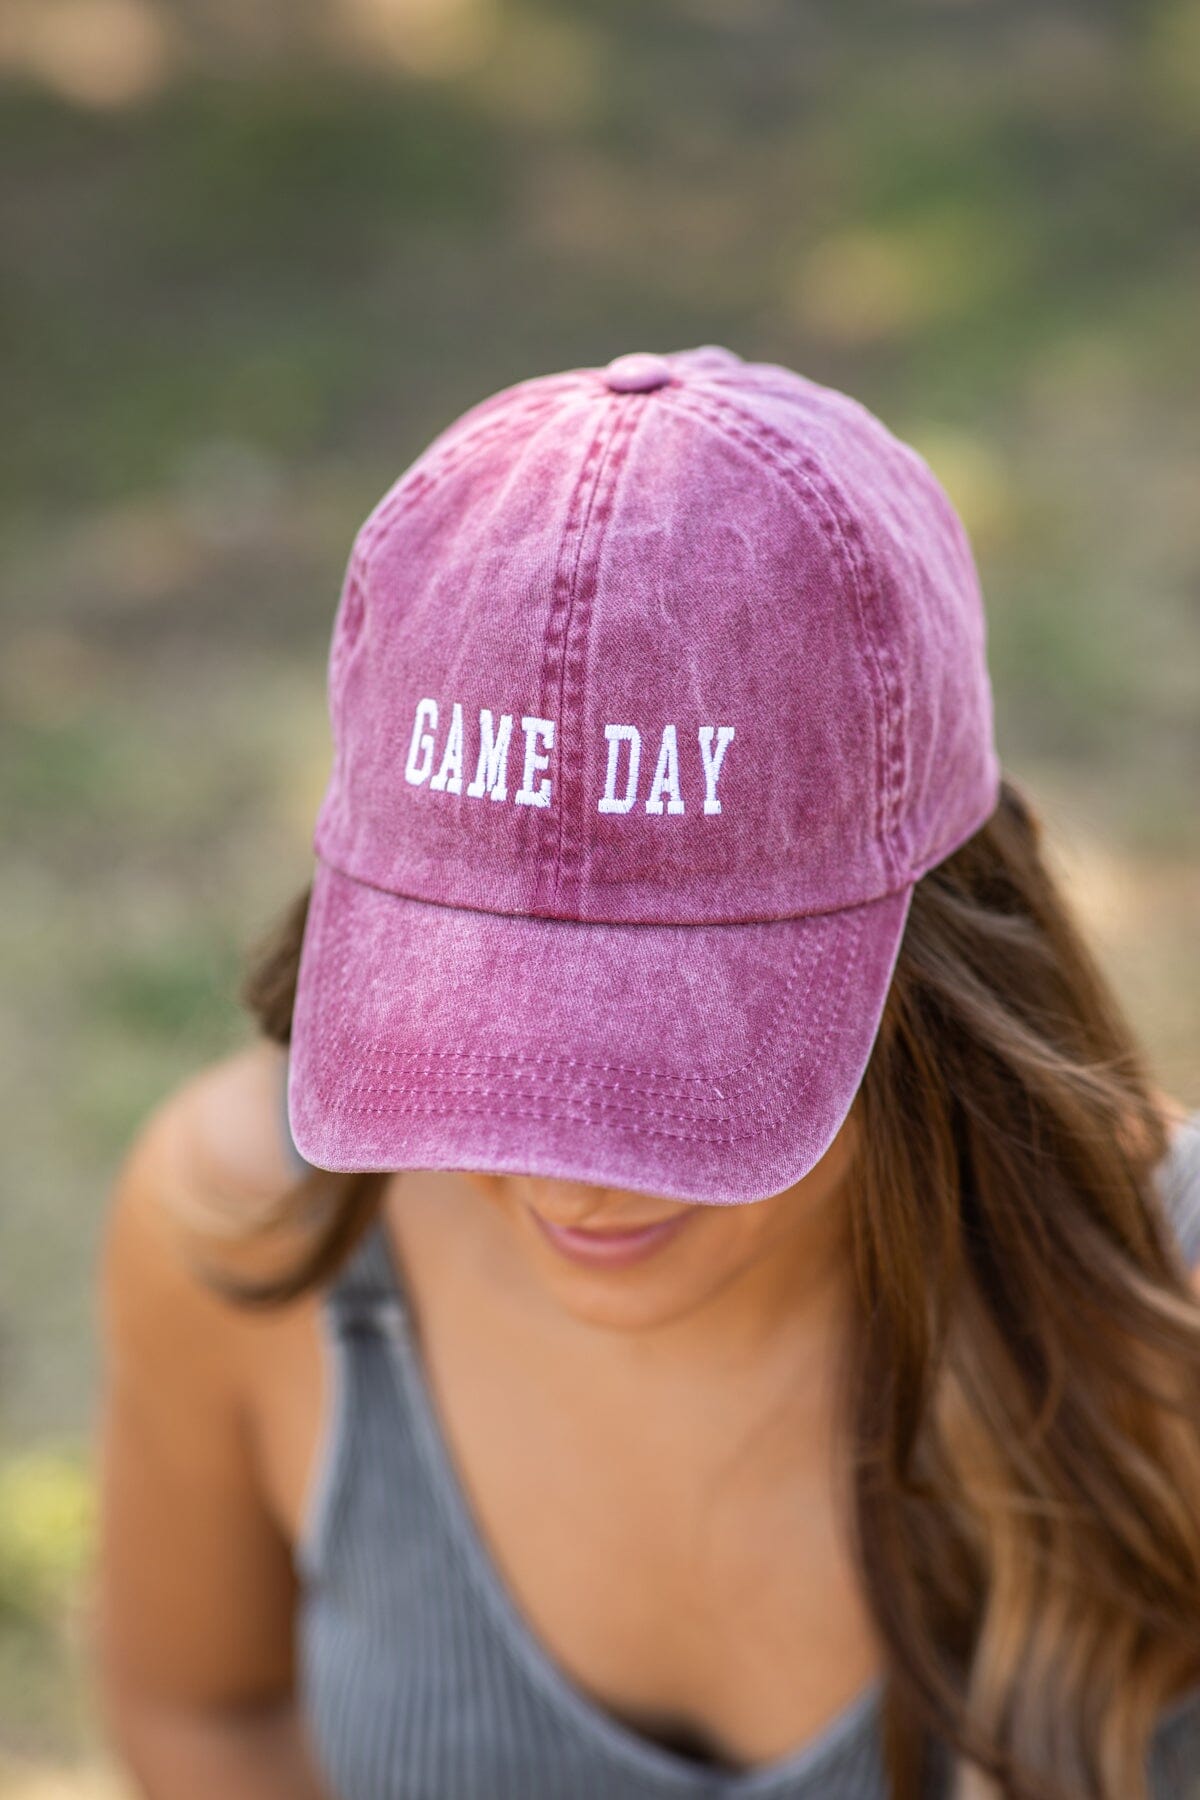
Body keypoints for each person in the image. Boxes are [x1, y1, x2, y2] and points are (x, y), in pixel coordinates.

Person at [90, 347, 1200, 1800]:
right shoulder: (247, 1231)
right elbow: (205, 1709)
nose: (564, 1179)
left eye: (672, 1058)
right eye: (484, 1036)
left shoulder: (1164, 1308)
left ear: (930, 965)